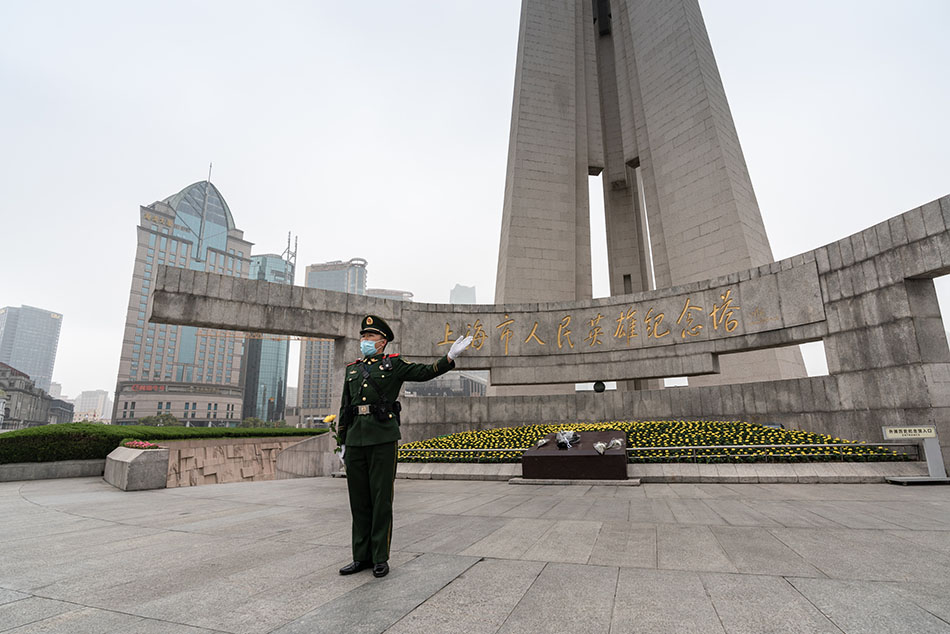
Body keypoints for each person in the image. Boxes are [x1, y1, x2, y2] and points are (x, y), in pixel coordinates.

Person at [336, 314, 472, 578]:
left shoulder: (394, 364)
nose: (365, 340)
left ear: (382, 341)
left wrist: (449, 358)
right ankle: (360, 556)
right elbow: (345, 407)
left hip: (383, 438)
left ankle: (379, 557)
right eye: (363, 336)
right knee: (359, 501)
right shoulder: (352, 369)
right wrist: (342, 441)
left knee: (380, 499)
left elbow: (423, 372)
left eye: (370, 336)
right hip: (355, 440)